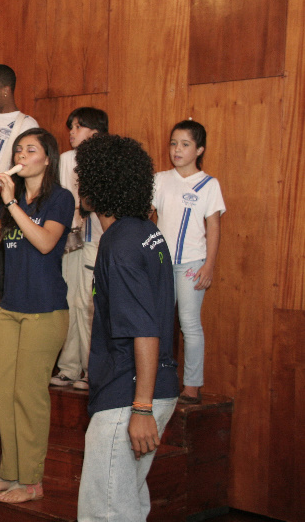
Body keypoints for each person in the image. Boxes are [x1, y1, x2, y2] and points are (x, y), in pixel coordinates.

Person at [74, 133, 179, 522]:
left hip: (129, 394)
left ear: (97, 185)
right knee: (128, 505)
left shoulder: (118, 245)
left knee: (105, 514)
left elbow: (144, 329)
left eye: (83, 177)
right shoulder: (146, 232)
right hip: (153, 388)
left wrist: (141, 407)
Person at [0, 128, 73, 504]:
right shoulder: (8, 203)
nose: (21, 155)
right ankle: (10, 474)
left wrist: (12, 203)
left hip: (45, 311)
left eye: (31, 150)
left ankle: (31, 481)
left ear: (47, 159)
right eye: (18, 150)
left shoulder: (60, 198)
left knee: (29, 395)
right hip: (10, 309)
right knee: (1, 391)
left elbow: (46, 242)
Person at [152, 120, 225, 404]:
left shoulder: (209, 184)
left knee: (189, 324)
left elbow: (214, 227)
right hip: (161, 263)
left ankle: (192, 386)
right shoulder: (160, 179)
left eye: (185, 144)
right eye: (173, 143)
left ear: (199, 149)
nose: (177, 150)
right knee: (157, 323)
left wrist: (209, 266)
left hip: (192, 263)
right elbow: (146, 216)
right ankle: (155, 380)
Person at [50, 107, 109, 391]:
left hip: (96, 241)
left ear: (95, 132)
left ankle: (91, 369)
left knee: (88, 305)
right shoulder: (65, 159)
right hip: (70, 241)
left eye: (78, 127)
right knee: (69, 302)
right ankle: (69, 367)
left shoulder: (107, 159)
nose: (71, 132)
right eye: (70, 127)